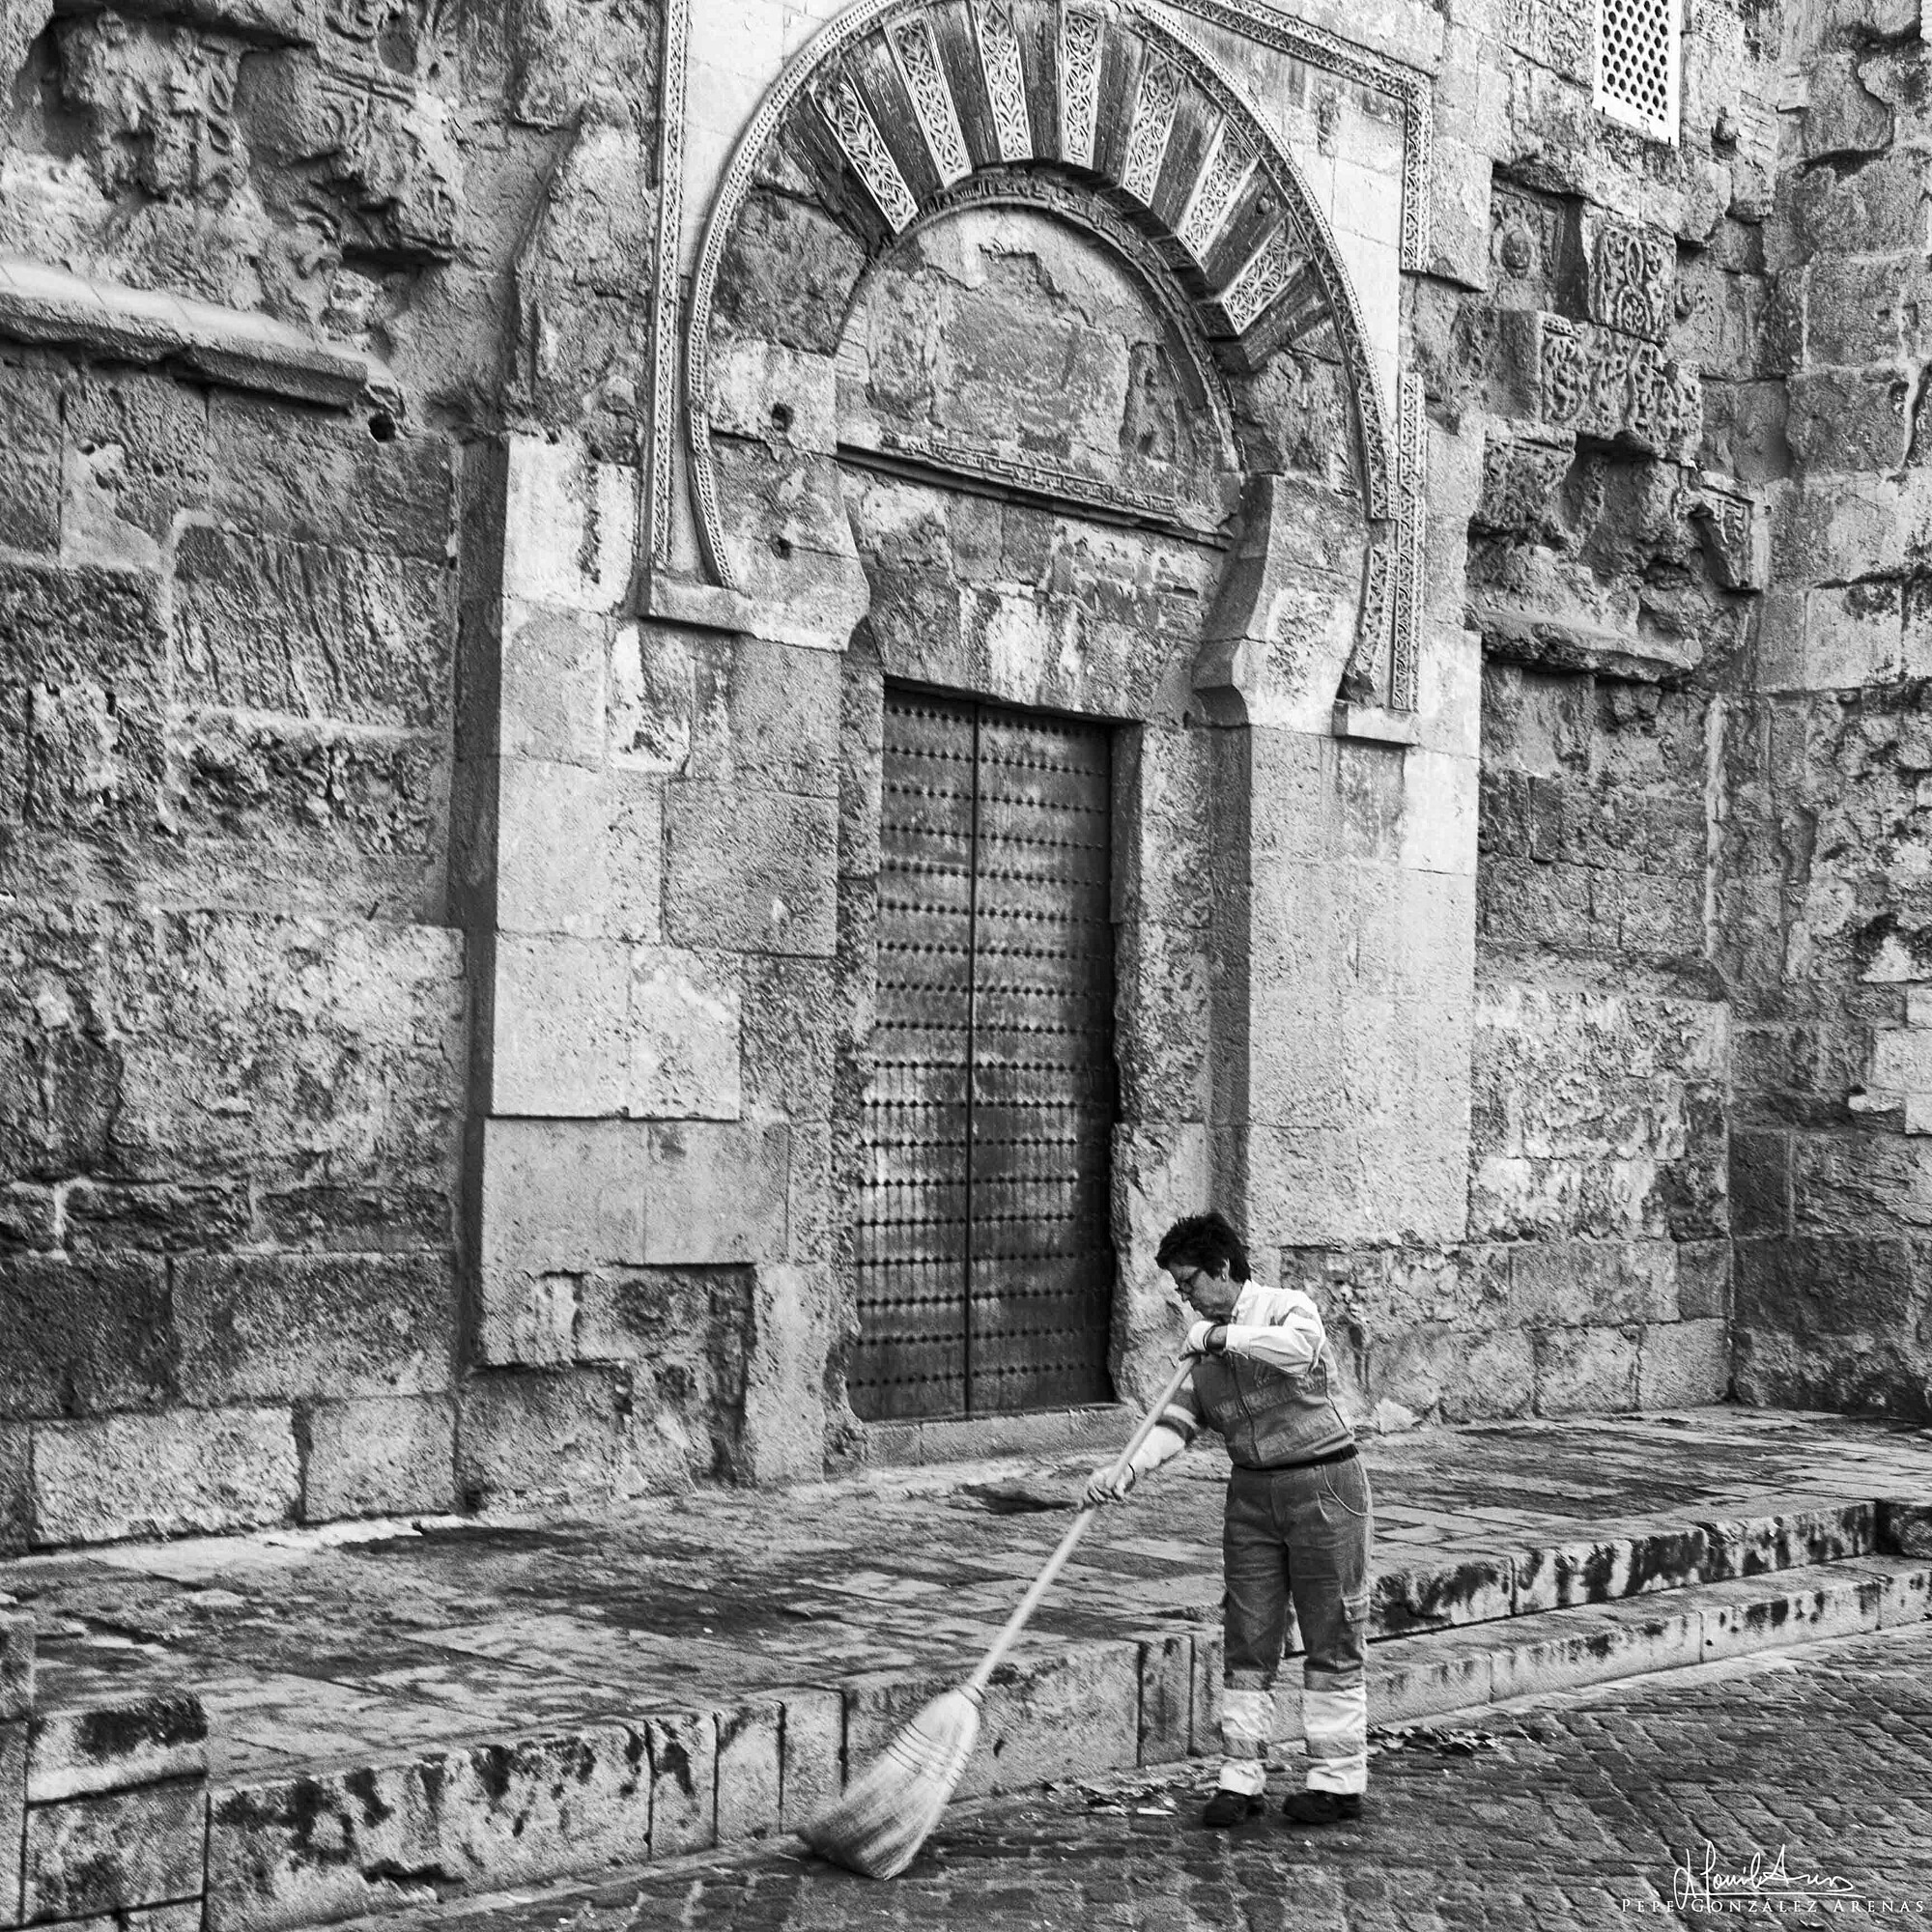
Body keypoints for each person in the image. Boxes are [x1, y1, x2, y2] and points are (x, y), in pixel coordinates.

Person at [1084, 1210, 1372, 1828]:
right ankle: (1241, 1781)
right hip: (1251, 1499)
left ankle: (1337, 1781)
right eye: (1178, 1287)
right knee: (1248, 1633)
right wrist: (1125, 1472)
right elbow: (1177, 1423)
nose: (1182, 1296)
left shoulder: (1285, 1307)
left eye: (1188, 1282)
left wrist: (1220, 1339)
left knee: (1331, 1630)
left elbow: (1303, 1352)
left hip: (1324, 1485)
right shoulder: (1199, 1344)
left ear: (1221, 1270)